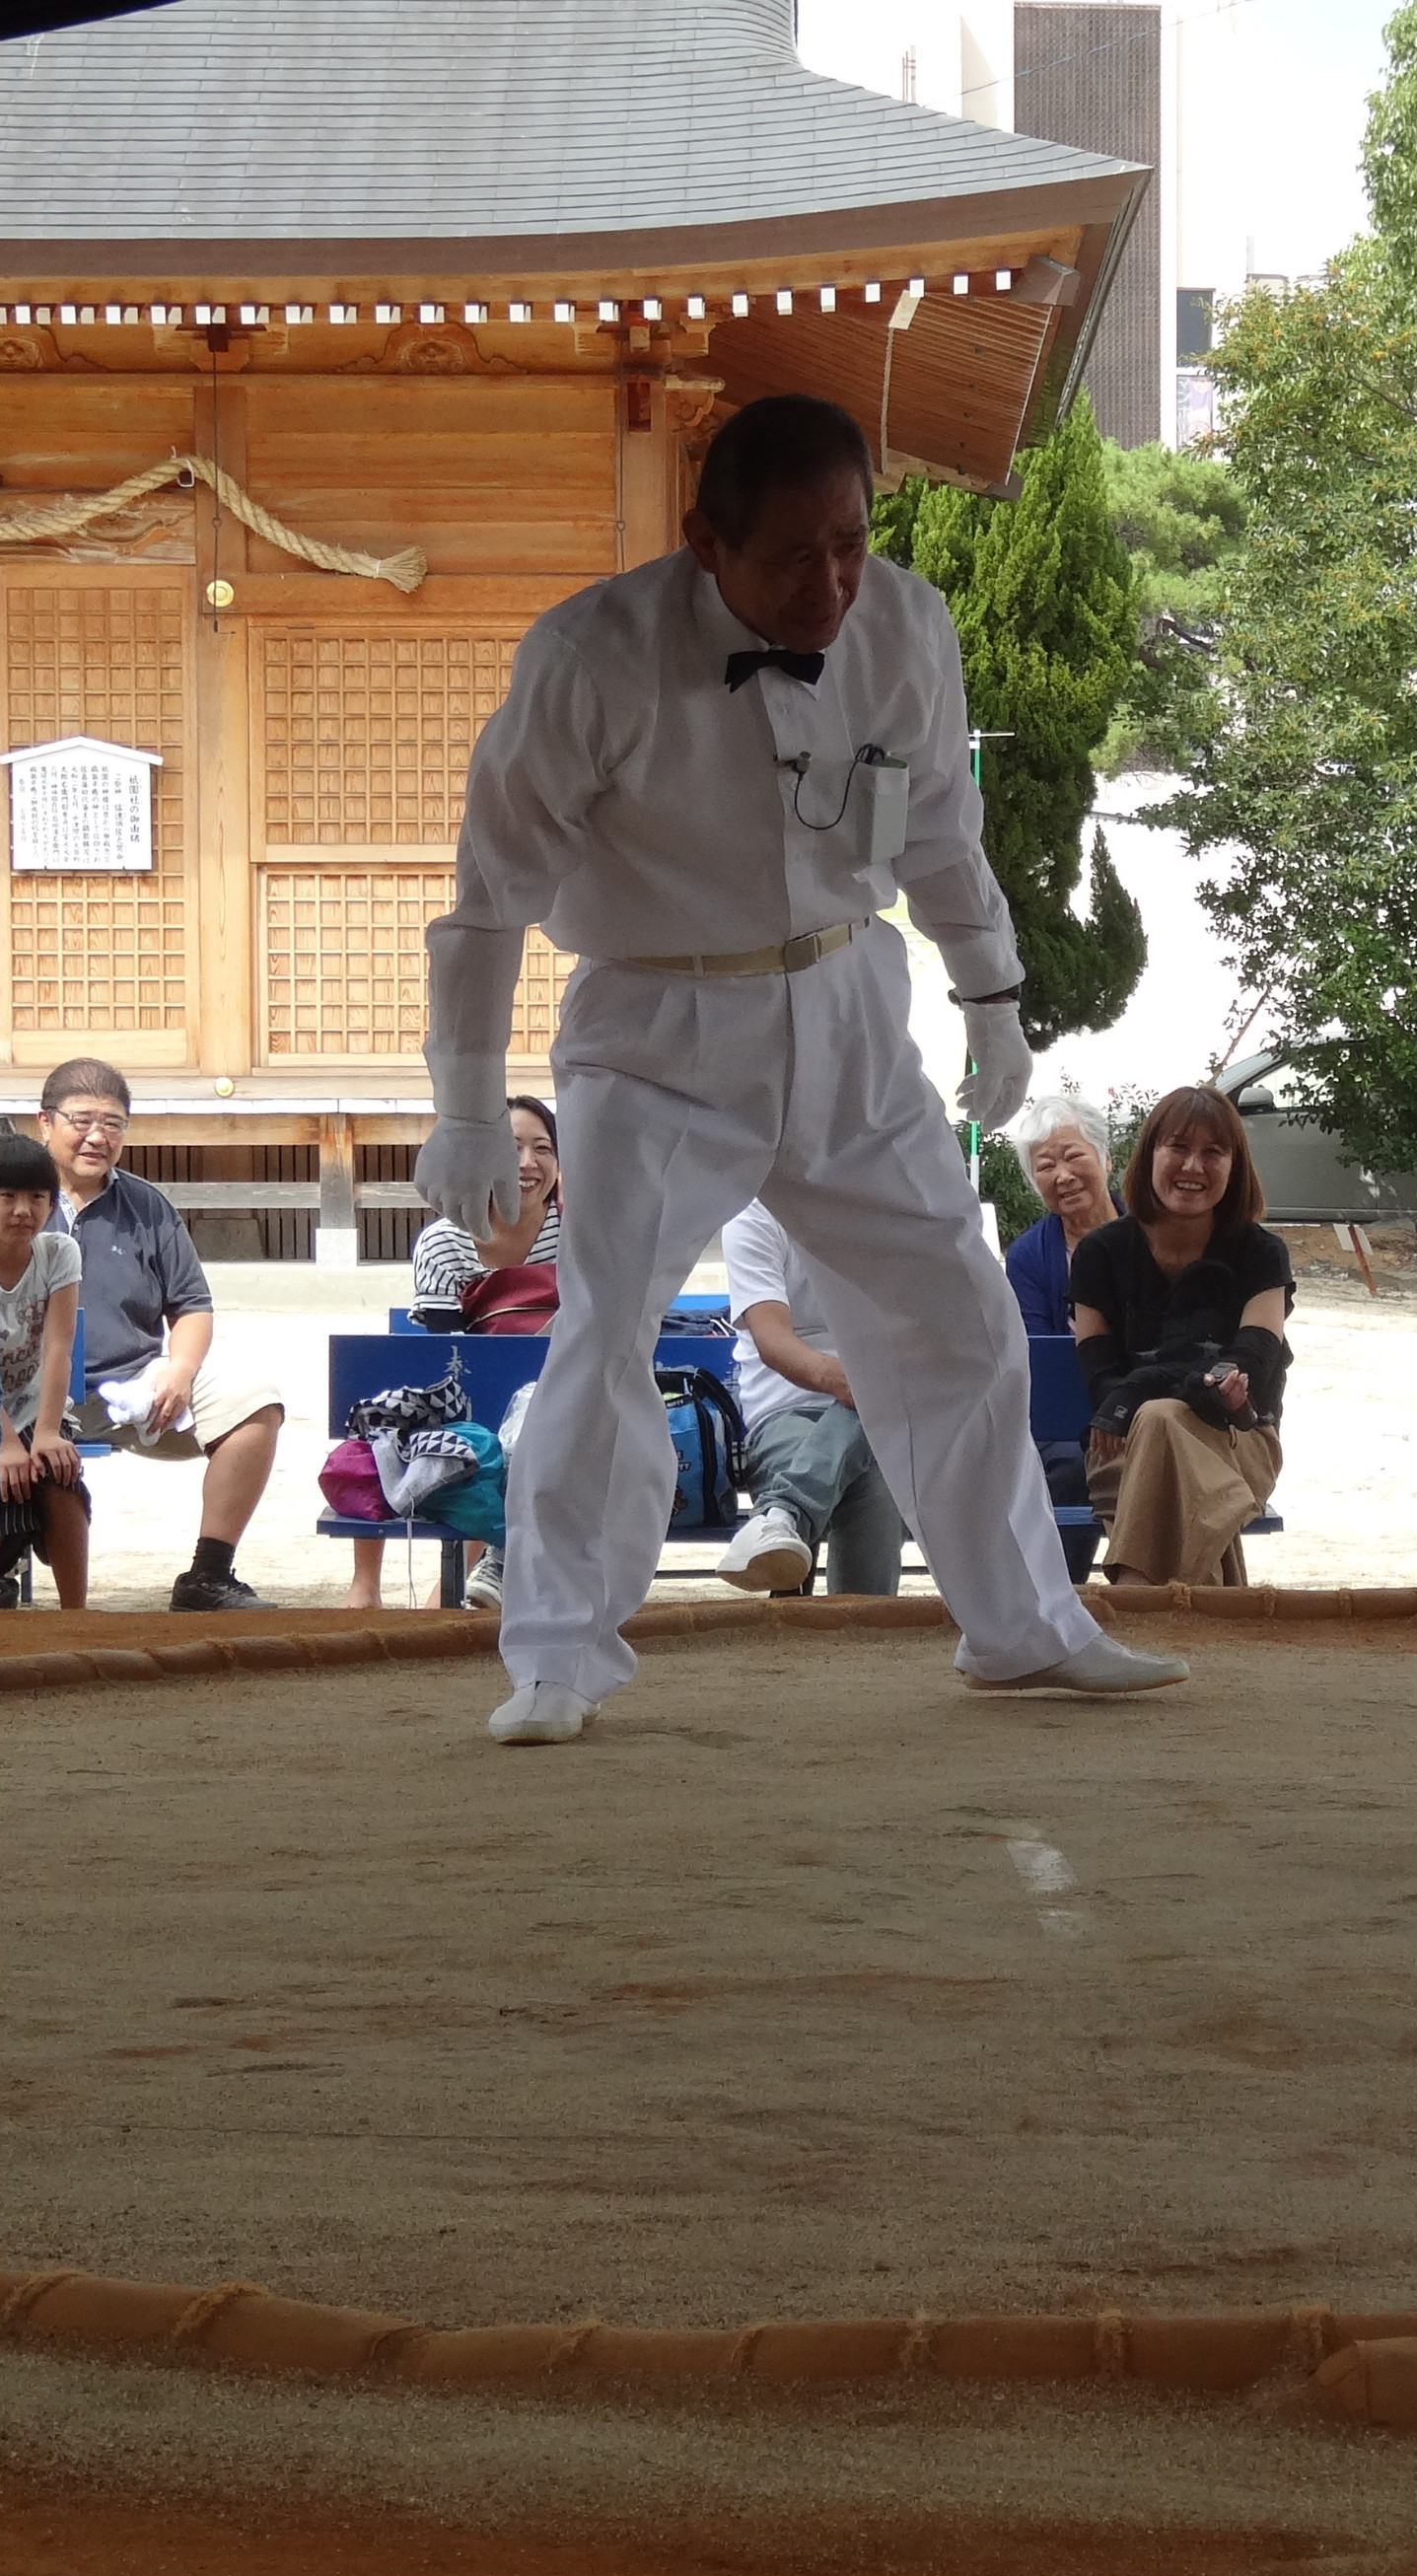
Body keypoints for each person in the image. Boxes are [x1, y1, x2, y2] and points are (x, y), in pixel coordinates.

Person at [415, 388, 1180, 1743]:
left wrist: (992, 993)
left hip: (847, 1013)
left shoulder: (907, 623)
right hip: (652, 1034)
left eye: (852, 543)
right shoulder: (589, 654)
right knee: (599, 1341)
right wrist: (469, 1107)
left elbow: (942, 826)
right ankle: (557, 1653)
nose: (832, 582)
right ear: (708, 543)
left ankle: (1021, 1625)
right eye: (794, 555)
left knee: (957, 1307)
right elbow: (488, 899)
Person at [0, 1058, 281, 1611]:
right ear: (45, 1122)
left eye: (114, 1123)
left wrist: (179, 1369)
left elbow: (192, 1304)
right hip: (13, 1388)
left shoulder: (146, 1205)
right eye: (81, 1120)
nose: (98, 1136)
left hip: (127, 1385)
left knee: (255, 1403)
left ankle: (209, 1574)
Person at [1065, 1086, 1293, 1589]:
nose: (1193, 1166)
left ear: (1235, 1168)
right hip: (1122, 1451)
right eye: (1179, 1148)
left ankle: (1134, 1598)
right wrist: (1172, 1388)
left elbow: (1250, 1361)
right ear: (1150, 1155)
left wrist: (1143, 1385)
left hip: (1239, 1443)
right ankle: (1202, 1617)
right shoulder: (1100, 1254)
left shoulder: (1261, 1255)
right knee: (1161, 1418)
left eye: (1213, 1152)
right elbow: (1102, 1379)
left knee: (1161, 1414)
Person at [713, 1196, 906, 1597]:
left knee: (873, 1488)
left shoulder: (879, 1212)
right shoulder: (753, 1215)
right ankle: (864, 1637)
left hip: (877, 1409)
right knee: (871, 1483)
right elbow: (772, 1341)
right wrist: (862, 1386)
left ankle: (782, 1516)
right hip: (784, 1405)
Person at [0, 1132, 90, 1610]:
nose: (23, 1210)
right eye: (7, 1196)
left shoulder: (58, 1253)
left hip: (37, 1410)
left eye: (37, 1197)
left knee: (59, 1479)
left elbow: (58, 1345)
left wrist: (46, 1432)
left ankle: (76, 1616)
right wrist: (6, 1444)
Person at [407, 1094, 561, 1323]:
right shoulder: (443, 1244)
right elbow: (445, 1347)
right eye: (512, 1148)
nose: (527, 1163)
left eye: (542, 1148)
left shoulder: (580, 1235)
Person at [1003, 1094, 1116, 1335]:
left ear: (1105, 1159)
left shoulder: (1154, 1231)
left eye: (1073, 1156)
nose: (1063, 1176)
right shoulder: (1027, 1257)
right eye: (1046, 1166)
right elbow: (1040, 1349)